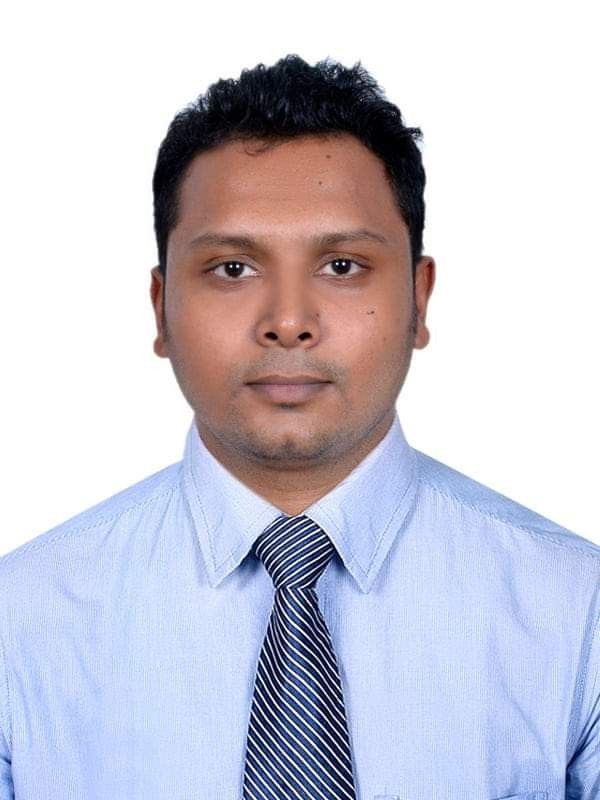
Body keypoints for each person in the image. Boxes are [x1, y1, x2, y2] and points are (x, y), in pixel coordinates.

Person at [0, 54, 597, 800]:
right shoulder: (19, 622)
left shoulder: (577, 612)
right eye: (232, 268)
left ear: (419, 299)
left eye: (342, 266)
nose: (288, 322)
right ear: (161, 308)